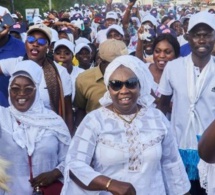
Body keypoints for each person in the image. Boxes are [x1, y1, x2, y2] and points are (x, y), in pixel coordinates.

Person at [61, 55, 190, 195]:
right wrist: (110, 184)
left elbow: (171, 165)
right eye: (116, 84)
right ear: (108, 88)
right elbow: (75, 165)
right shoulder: (94, 121)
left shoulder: (157, 118)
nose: (124, 90)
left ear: (140, 85)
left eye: (131, 83)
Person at [157, 11, 215, 195]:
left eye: (207, 35)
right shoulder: (173, 68)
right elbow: (162, 104)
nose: (202, 40)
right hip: (179, 147)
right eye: (197, 35)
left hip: (211, 149)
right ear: (188, 37)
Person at [0, 60, 71, 194]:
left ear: (37, 90)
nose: (21, 93)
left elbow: (70, 158)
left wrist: (55, 173)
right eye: (15, 88)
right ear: (9, 90)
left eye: (28, 89)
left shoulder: (54, 121)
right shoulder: (3, 117)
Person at [0, 23, 74, 134]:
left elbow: (68, 112)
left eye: (41, 41)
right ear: (25, 43)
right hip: (18, 133)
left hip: (48, 134)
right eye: (31, 39)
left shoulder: (60, 72)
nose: (35, 44)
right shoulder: (15, 64)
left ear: (48, 47)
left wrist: (68, 140)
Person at [74, 39, 128, 127]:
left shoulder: (132, 77)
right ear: (101, 60)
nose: (119, 67)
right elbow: (81, 109)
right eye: (113, 64)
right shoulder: (83, 79)